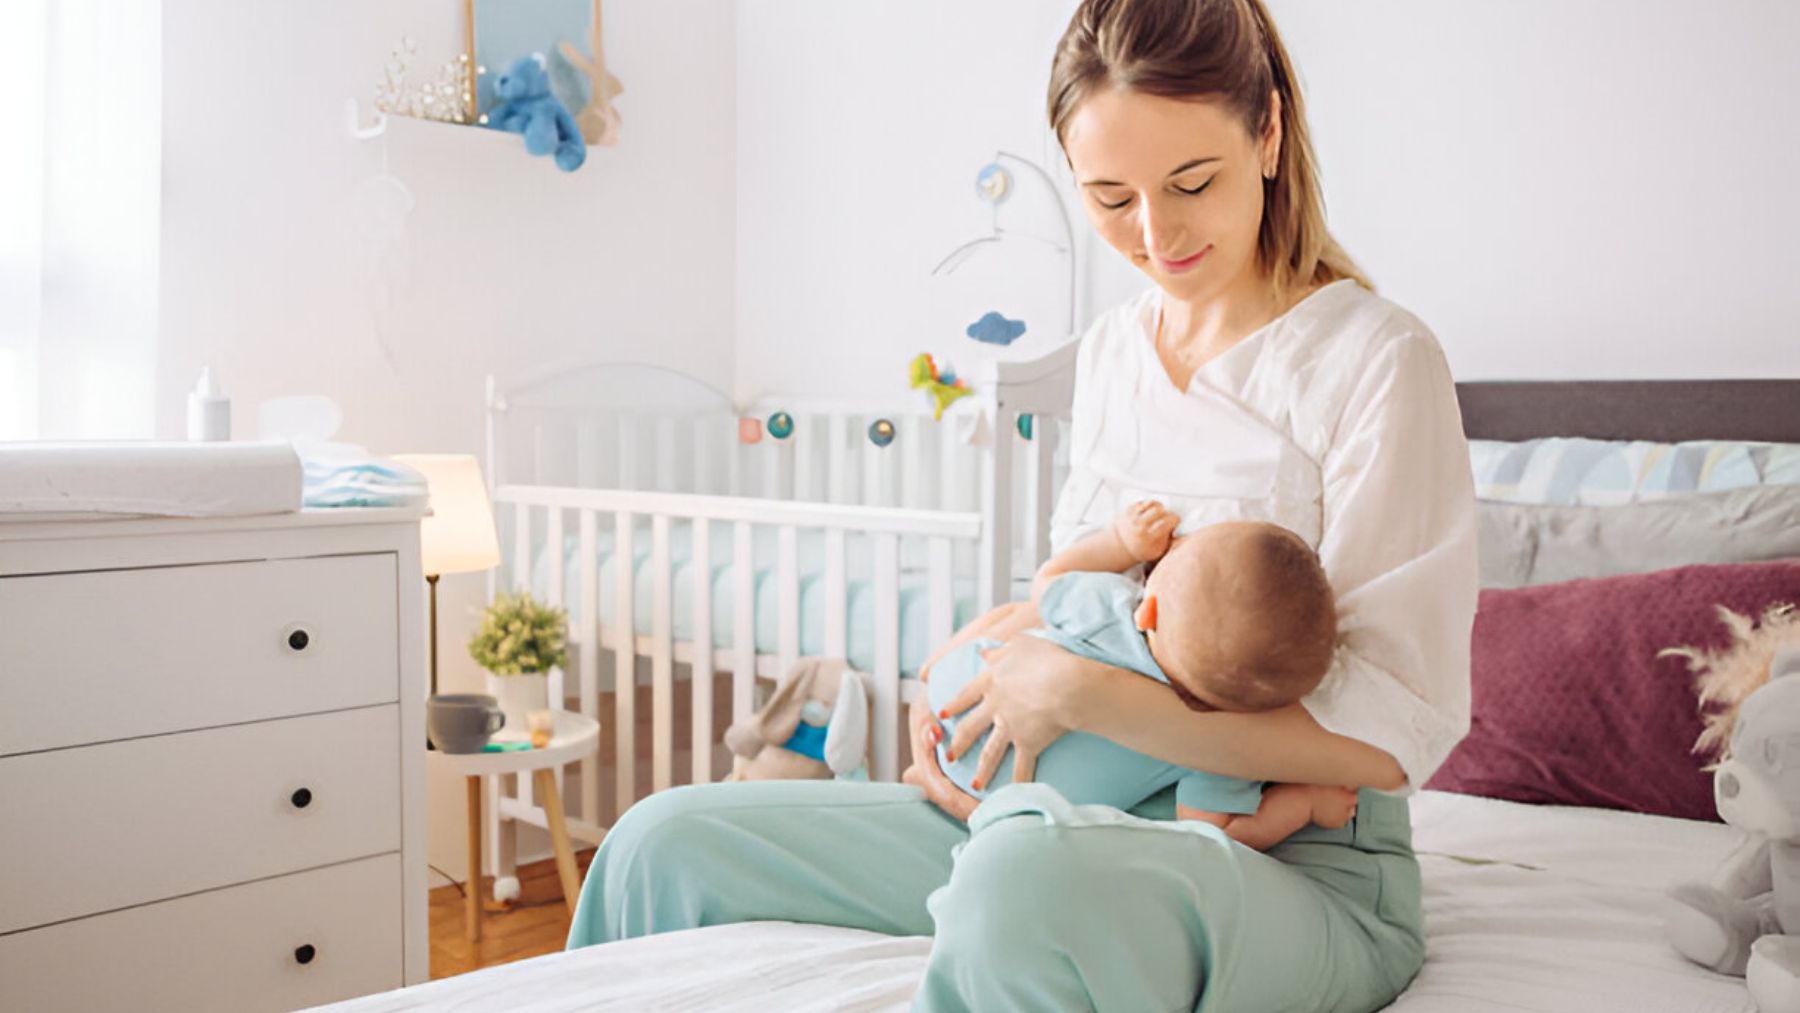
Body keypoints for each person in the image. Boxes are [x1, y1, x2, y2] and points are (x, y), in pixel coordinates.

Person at [567, 1, 1477, 1008]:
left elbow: (1392, 732)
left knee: (1021, 884)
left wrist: (1086, 699)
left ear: (1267, 134)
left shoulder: (1375, 358)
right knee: (663, 840)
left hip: (1284, 859)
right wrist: (963, 687)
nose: (1156, 232)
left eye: (1191, 183)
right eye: (1109, 195)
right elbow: (1069, 603)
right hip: (1050, 803)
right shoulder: (1115, 354)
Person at [923, 503, 1360, 849]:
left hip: (950, 719)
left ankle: (933, 668)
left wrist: (1121, 544)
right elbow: (1214, 833)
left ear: (1148, 607)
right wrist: (1304, 804)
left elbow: (1048, 580)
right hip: (1023, 815)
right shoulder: (1223, 746)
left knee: (1009, 615)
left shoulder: (1111, 605)